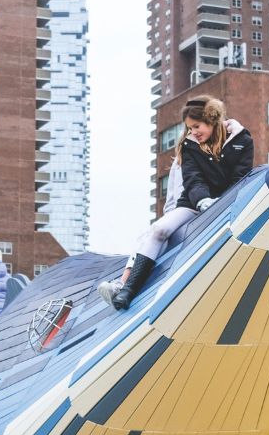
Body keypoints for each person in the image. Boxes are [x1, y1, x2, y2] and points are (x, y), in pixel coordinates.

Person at [98, 96, 253, 310]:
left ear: (212, 121)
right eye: (189, 128)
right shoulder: (190, 146)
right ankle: (127, 290)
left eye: (197, 126)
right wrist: (203, 201)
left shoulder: (242, 141)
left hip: (227, 204)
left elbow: (241, 178)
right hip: (193, 203)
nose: (193, 132)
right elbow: (192, 179)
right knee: (159, 230)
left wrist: (223, 202)